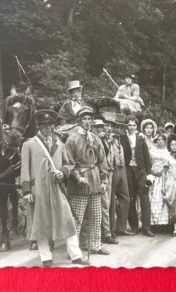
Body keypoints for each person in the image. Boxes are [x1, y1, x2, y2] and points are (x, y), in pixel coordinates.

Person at [20, 110, 88, 267]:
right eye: (44, 125)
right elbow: (24, 169)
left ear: (54, 126)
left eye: (50, 125)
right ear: (39, 126)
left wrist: (62, 173)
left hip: (57, 189)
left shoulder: (60, 144)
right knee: (41, 224)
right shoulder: (29, 144)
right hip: (38, 190)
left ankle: (76, 255)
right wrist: (26, 191)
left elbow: (68, 164)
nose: (47, 128)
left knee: (68, 221)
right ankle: (46, 258)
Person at [65, 106, 110, 257]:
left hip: (95, 181)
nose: (87, 122)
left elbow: (102, 161)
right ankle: (74, 250)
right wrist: (77, 177)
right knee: (77, 218)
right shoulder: (72, 139)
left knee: (96, 216)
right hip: (79, 183)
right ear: (79, 121)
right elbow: (68, 163)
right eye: (84, 119)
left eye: (89, 119)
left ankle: (96, 245)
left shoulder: (96, 139)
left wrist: (104, 181)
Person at [120, 115, 154, 236]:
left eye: (134, 125)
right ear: (126, 126)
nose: (132, 127)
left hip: (140, 171)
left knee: (145, 199)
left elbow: (146, 157)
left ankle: (146, 227)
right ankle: (134, 226)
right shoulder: (122, 138)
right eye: (129, 125)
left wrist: (149, 174)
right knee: (131, 199)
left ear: (137, 126)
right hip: (128, 171)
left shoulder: (140, 138)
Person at [103, 114, 132, 238]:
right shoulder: (103, 138)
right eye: (107, 126)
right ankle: (111, 228)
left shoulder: (122, 138)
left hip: (122, 168)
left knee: (125, 197)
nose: (111, 129)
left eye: (112, 126)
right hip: (111, 169)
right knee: (110, 201)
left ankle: (122, 227)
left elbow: (128, 153)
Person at [92, 119, 119, 245]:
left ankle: (106, 233)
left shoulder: (106, 140)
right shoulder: (92, 140)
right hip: (94, 175)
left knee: (106, 204)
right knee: (98, 205)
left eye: (100, 127)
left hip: (106, 174)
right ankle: (100, 234)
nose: (99, 130)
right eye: (96, 127)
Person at [148, 130, 171, 228]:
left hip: (163, 176)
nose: (160, 141)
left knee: (163, 198)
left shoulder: (167, 151)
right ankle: (154, 223)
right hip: (154, 176)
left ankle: (164, 223)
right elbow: (149, 163)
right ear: (156, 140)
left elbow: (169, 164)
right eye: (158, 139)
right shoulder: (152, 151)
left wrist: (163, 172)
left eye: (162, 139)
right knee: (153, 198)